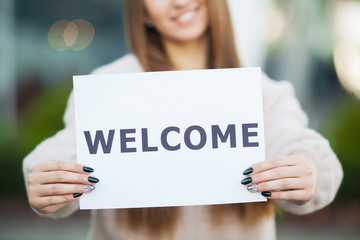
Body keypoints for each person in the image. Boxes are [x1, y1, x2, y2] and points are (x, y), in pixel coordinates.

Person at [23, 0, 343, 239]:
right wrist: (46, 176)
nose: (179, 1)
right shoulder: (109, 86)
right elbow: (68, 149)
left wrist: (306, 167)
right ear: (142, 10)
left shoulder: (261, 92)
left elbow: (297, 142)